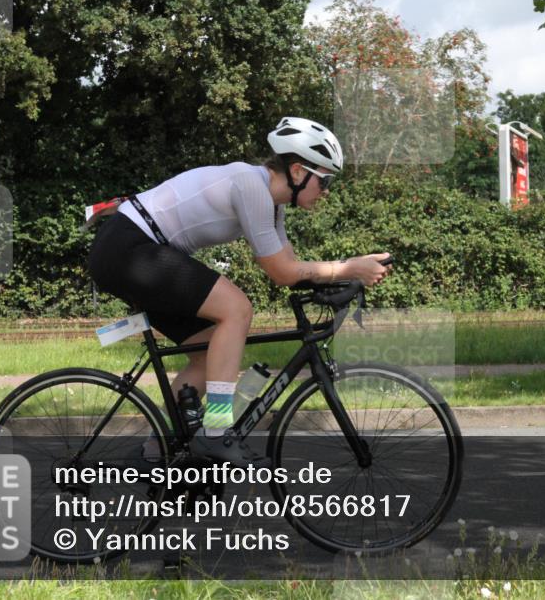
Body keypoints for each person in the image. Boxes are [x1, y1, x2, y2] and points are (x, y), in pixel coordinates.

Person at [87, 117, 391, 466]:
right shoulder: (251, 187)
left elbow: (291, 269)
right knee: (237, 309)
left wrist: (348, 275)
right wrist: (349, 267)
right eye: (324, 181)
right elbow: (281, 271)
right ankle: (215, 431)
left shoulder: (271, 205)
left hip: (134, 251)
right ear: (296, 171)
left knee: (208, 352)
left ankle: (159, 453)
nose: (326, 191)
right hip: (129, 248)